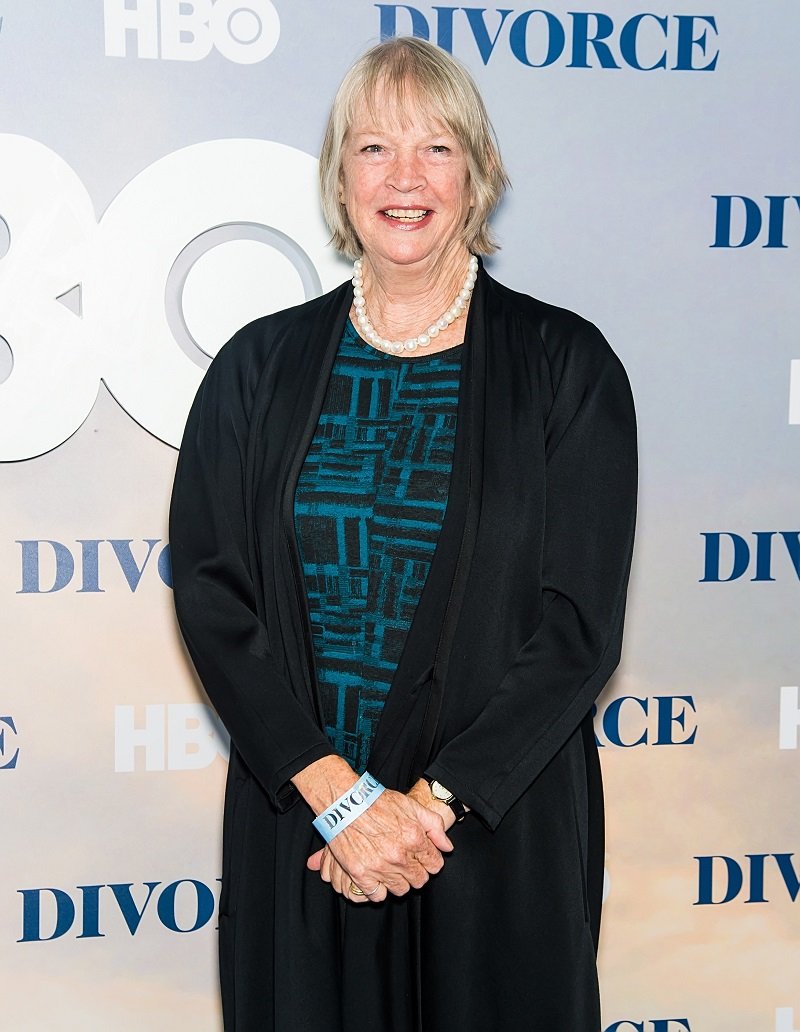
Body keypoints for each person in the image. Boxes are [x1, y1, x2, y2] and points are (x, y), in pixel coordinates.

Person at [170, 35, 637, 1032]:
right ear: (340, 180)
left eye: (435, 148)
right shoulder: (256, 369)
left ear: (476, 173)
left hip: (485, 837)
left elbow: (574, 630)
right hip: (303, 825)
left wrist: (419, 812)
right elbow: (214, 596)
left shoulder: (564, 366)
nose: (404, 178)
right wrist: (340, 803)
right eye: (372, 149)